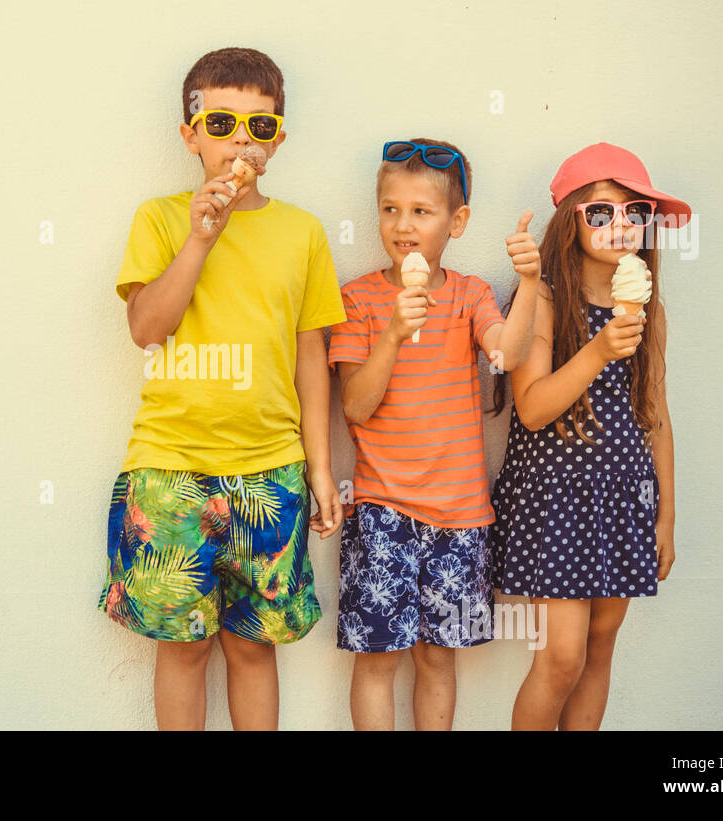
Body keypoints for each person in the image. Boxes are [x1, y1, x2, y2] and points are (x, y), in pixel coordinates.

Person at [97, 47, 346, 730]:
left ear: (278, 139)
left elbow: (311, 354)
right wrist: (201, 239)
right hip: (170, 470)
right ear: (190, 133)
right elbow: (148, 328)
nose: (241, 138)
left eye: (260, 127)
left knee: (253, 648)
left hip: (271, 473)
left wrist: (321, 468)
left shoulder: (302, 233)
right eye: (223, 122)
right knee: (183, 651)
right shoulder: (159, 218)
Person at [328, 138, 540, 730]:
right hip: (382, 511)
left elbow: (505, 353)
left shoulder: (471, 294)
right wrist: (394, 332)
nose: (403, 226)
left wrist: (529, 283)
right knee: (376, 661)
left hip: (460, 513)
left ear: (457, 221)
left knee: (436, 659)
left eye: (421, 212)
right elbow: (357, 407)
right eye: (391, 209)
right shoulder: (360, 300)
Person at [487, 142, 687, 730]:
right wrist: (602, 349)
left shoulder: (648, 307)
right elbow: (532, 409)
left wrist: (666, 516)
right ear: (568, 220)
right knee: (562, 657)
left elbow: (655, 412)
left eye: (635, 213)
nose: (619, 226)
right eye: (599, 213)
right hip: (556, 497)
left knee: (601, 649)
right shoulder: (543, 295)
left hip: (624, 494)